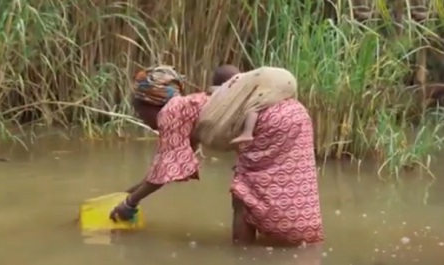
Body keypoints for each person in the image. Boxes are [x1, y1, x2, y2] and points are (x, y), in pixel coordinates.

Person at [110, 66, 324, 247]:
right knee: (292, 184)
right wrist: (133, 190)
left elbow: (169, 167)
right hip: (294, 114)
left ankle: (243, 254)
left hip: (270, 122)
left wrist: (129, 203)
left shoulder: (170, 113)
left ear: (150, 105)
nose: (142, 119)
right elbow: (171, 163)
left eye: (139, 112)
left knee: (244, 192)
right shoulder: (191, 104)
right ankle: (300, 240)